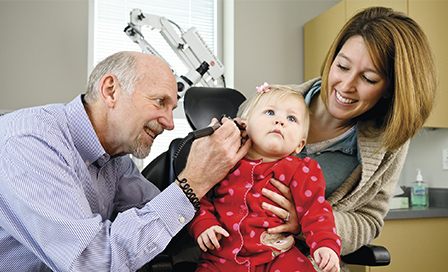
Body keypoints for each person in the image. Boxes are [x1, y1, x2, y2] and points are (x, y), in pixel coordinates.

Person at [0, 51, 254, 271]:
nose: (169, 123)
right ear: (110, 90)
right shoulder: (29, 142)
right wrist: (194, 182)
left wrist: (278, 220)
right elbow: (91, 264)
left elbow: (165, 218)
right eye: (159, 101)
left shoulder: (115, 158)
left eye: (172, 109)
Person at [265, 6, 436, 271]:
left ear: (391, 89)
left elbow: (369, 220)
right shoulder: (268, 104)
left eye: (368, 78)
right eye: (342, 66)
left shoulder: (388, 143)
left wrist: (308, 222)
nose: (346, 86)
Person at [189, 83, 341, 272]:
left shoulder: (301, 170)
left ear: (299, 145)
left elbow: (316, 211)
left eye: (291, 118)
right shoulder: (223, 161)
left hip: (277, 256)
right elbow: (197, 195)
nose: (280, 121)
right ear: (243, 125)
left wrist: (325, 244)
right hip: (221, 259)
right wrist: (204, 223)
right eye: (270, 113)